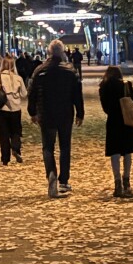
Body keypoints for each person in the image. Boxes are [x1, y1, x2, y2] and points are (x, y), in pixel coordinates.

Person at [27, 39, 84, 199]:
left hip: (46, 113)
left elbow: (31, 93)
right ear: (63, 52)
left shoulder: (39, 70)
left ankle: (51, 174)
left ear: (49, 53)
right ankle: (64, 181)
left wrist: (32, 112)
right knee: (65, 146)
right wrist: (80, 113)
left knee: (48, 147)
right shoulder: (70, 71)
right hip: (65, 113)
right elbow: (77, 94)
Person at [99, 65, 133, 198]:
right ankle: (126, 181)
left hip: (113, 121)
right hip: (127, 120)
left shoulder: (103, 87)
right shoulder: (126, 85)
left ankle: (117, 182)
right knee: (127, 151)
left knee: (115, 152)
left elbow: (105, 107)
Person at [0, 55, 28, 166]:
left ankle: (5, 159)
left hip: (3, 109)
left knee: (3, 134)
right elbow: (24, 94)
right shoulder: (18, 78)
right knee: (16, 132)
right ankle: (16, 149)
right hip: (16, 109)